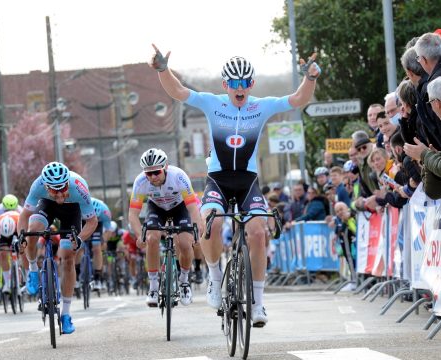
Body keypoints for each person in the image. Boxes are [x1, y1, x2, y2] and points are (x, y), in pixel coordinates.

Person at [150, 44, 320, 327]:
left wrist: (310, 78)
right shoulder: (212, 103)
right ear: (225, 84)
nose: (239, 89)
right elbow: (178, 92)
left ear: (251, 84)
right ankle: (215, 278)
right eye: (234, 83)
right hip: (218, 178)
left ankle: (257, 302)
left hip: (247, 181)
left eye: (244, 83)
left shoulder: (261, 106)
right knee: (210, 223)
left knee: (256, 233)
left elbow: (298, 99)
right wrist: (162, 70)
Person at [17, 162, 98, 335]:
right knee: (32, 231)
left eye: (63, 188)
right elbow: (24, 216)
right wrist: (21, 237)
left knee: (68, 258)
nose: (60, 193)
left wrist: (80, 238)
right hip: (47, 205)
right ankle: (32, 270)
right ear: (46, 186)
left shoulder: (78, 187)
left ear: (68, 182)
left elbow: (92, 222)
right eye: (54, 190)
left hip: (72, 210)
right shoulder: (38, 186)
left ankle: (66, 314)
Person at [129, 148, 202, 307]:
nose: (153, 177)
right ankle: (153, 286)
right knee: (151, 238)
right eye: (149, 173)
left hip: (180, 208)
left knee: (184, 243)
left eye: (156, 172)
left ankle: (184, 281)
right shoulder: (140, 182)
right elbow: (133, 214)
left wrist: (197, 232)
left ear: (165, 167)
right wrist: (138, 235)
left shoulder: (179, 176)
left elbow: (193, 209)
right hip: (156, 208)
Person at [0, 210, 20, 293]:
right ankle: (7, 283)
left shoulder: (19, 219)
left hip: (16, 231)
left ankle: (25, 274)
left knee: (22, 249)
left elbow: (26, 241)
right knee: (2, 253)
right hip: (4, 234)